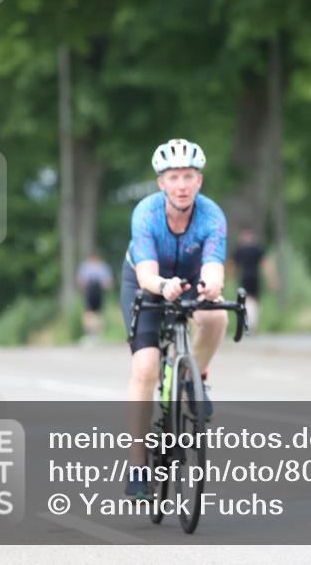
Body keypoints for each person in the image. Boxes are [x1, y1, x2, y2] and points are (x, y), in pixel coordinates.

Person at [120, 139, 229, 498]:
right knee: (145, 367)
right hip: (148, 280)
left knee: (215, 318)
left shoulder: (212, 215)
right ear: (161, 183)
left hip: (191, 275)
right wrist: (163, 285)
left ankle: (193, 377)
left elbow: (214, 269)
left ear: (199, 180)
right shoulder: (146, 213)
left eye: (188, 176)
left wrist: (212, 287)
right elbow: (147, 275)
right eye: (173, 177)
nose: (181, 185)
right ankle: (137, 468)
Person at [232, 227, 265, 330]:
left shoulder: (240, 249)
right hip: (255, 277)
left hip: (244, 277)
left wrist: (230, 277)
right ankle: (253, 323)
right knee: (254, 301)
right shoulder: (257, 248)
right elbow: (265, 263)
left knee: (245, 300)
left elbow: (233, 265)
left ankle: (247, 322)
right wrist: (270, 279)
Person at [76, 252, 114, 340]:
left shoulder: (103, 266)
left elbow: (108, 283)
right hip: (89, 291)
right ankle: (89, 334)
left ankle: (97, 335)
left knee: (97, 313)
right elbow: (81, 281)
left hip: (98, 291)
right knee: (89, 313)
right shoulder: (86, 266)